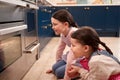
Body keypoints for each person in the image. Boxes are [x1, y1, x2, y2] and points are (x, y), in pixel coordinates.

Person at [46, 9, 78, 80]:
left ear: (66, 24)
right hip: (72, 57)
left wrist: (66, 78)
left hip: (81, 59)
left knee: (59, 73)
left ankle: (79, 73)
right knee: (54, 68)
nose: (52, 27)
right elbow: (60, 49)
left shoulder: (73, 33)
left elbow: (71, 57)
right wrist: (58, 63)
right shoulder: (63, 34)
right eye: (52, 24)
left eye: (55, 24)